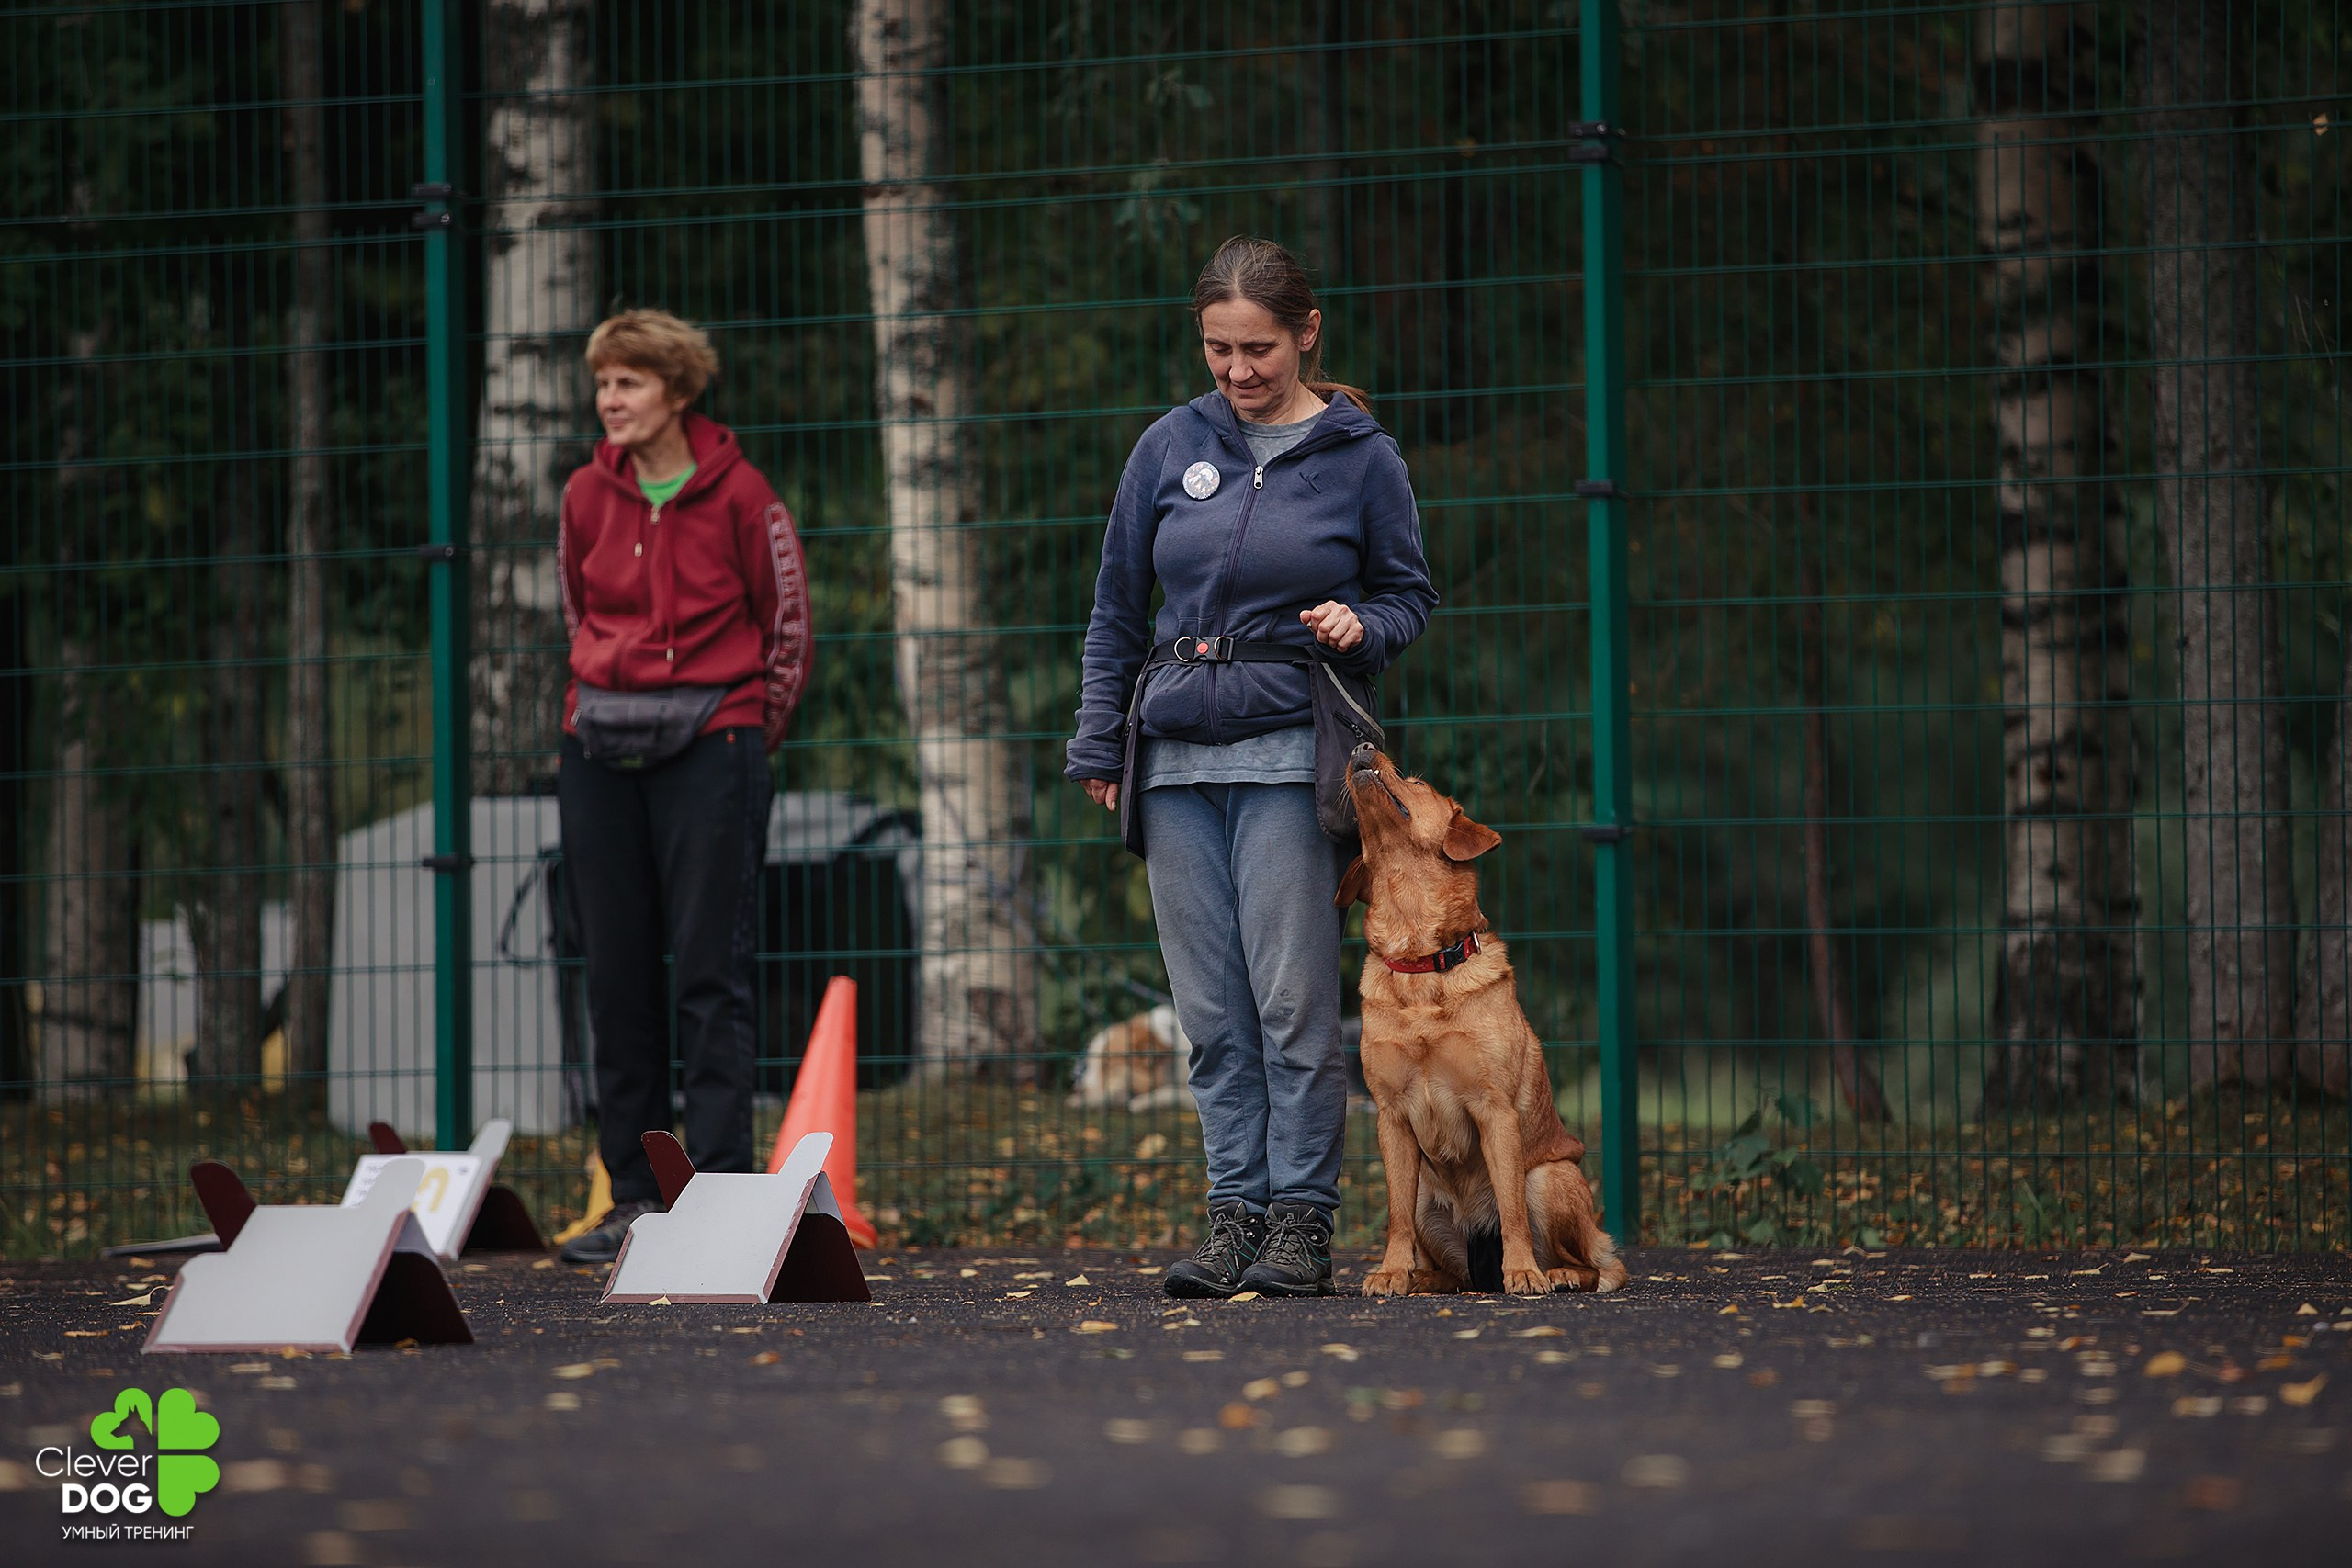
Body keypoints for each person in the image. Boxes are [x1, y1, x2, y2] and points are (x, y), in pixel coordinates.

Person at [1066, 237, 1438, 1298]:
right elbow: (1116, 608)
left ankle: (1302, 1224)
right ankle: (1233, 1216)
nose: (1237, 371)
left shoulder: (1363, 456)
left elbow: (1409, 595)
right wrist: (1098, 739)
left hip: (1289, 751)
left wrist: (1362, 624)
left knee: (1290, 1007)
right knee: (1210, 1015)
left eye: (1258, 349)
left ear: (1306, 332)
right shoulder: (1167, 446)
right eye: (1218, 349)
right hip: (1170, 757)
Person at [553, 310, 812, 1266]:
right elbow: (577, 610)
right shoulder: (585, 493)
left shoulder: (743, 493)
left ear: (677, 389)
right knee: (615, 977)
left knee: (711, 973)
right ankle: (630, 1196)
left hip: (714, 742)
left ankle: (722, 1198)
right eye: (602, 383)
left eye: (627, 382)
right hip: (599, 748)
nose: (609, 400)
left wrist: (741, 732)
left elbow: (786, 629)